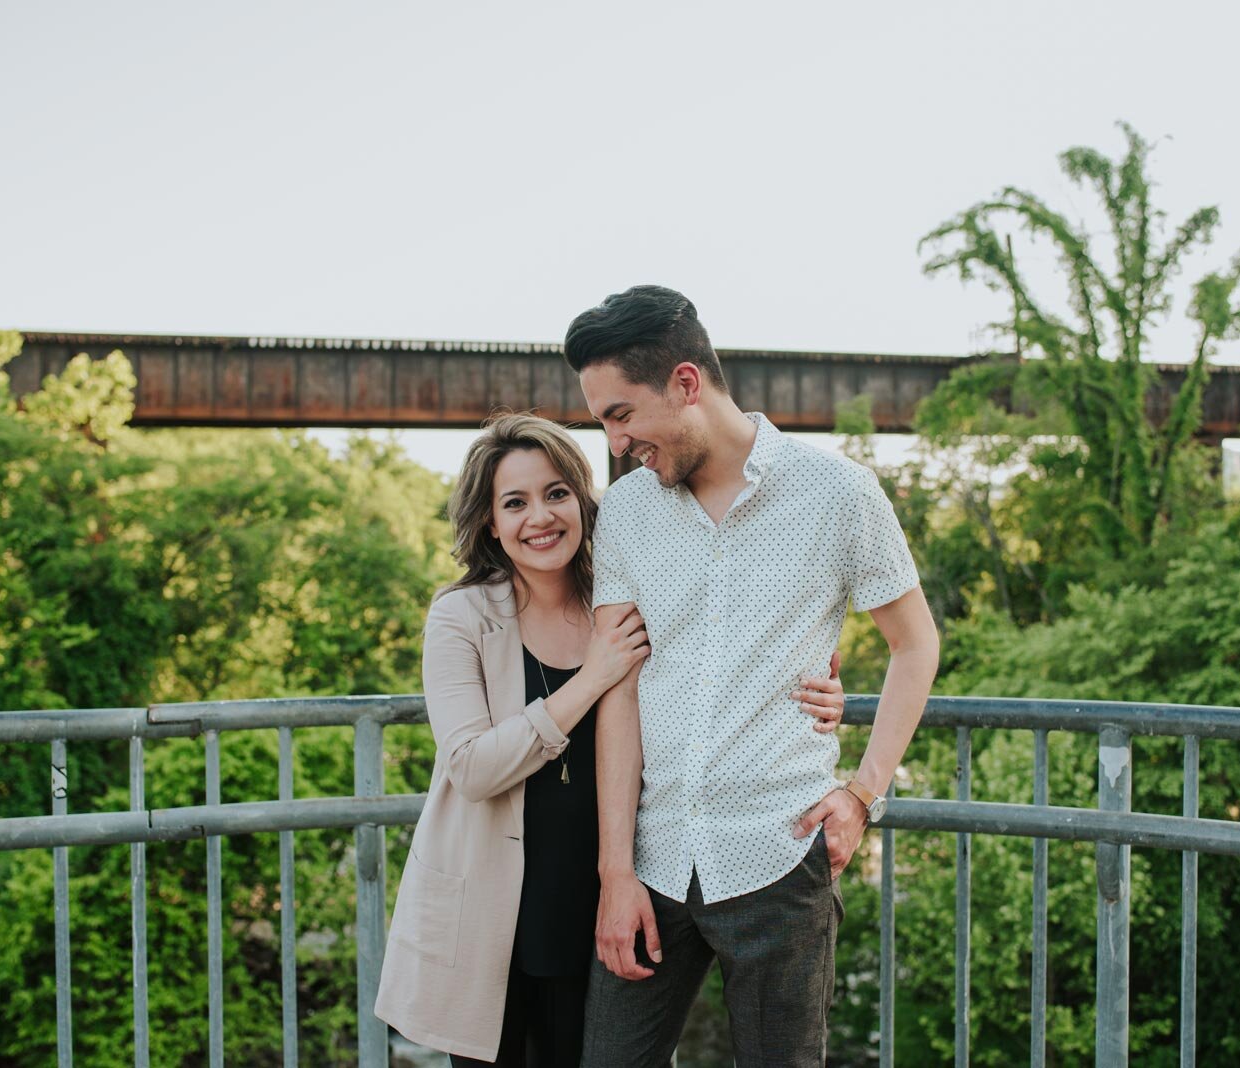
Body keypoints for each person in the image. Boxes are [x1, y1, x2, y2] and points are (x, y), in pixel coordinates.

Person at [372, 412, 848, 1066]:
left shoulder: (624, 599)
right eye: (515, 503)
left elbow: (715, 686)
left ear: (583, 501)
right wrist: (589, 680)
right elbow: (472, 768)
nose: (539, 517)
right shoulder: (461, 617)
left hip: (610, 896)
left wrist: (814, 691)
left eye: (556, 493)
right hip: (497, 914)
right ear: (489, 522)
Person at [567, 285, 942, 1068]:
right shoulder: (629, 512)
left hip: (781, 855)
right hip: (654, 860)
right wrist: (613, 872)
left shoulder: (840, 495)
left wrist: (864, 792)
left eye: (620, 414)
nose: (616, 440)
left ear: (686, 383)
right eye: (604, 419)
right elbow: (621, 691)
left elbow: (915, 645)